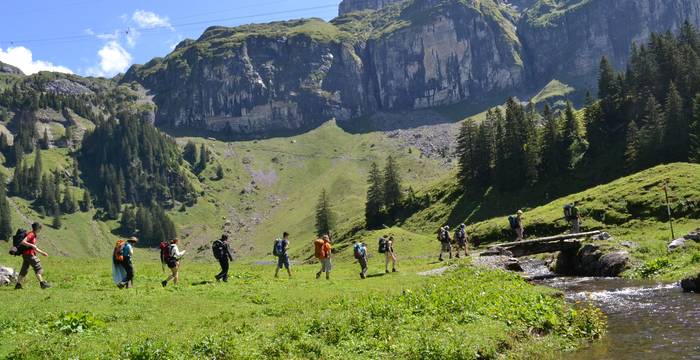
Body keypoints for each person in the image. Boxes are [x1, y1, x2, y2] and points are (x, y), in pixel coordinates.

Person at [15, 222, 50, 290]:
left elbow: (34, 247)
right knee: (38, 267)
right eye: (40, 228)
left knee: (24, 270)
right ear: (37, 228)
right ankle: (42, 284)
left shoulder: (33, 234)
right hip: (29, 255)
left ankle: (18, 285)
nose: (40, 230)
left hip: (26, 255)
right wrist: (32, 245)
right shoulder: (31, 234)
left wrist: (42, 253)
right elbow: (23, 242)